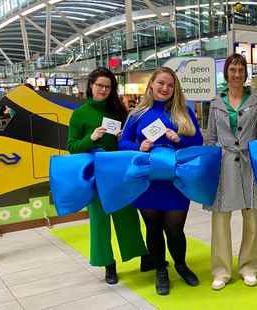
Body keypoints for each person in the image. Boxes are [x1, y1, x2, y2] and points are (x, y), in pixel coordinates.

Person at [119, 67, 203, 295]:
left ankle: (181, 265)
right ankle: (160, 270)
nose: (165, 88)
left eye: (170, 84)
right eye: (161, 83)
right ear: (151, 85)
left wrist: (180, 139)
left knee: (175, 229)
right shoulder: (137, 114)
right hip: (147, 181)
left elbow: (198, 140)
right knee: (153, 228)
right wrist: (139, 146)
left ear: (175, 88)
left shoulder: (184, 111)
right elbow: (122, 143)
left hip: (176, 181)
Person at [67, 67, 148, 285]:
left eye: (108, 86)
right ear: (91, 86)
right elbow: (72, 147)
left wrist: (123, 138)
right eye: (100, 85)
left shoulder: (118, 111)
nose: (103, 89)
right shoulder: (80, 114)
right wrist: (91, 139)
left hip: (119, 174)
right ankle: (108, 265)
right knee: (100, 221)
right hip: (95, 176)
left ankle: (141, 255)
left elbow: (128, 141)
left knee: (128, 216)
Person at [205, 53, 257, 290]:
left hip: (249, 164)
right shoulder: (215, 103)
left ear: (245, 73)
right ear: (226, 73)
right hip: (223, 165)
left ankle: (249, 266)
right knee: (220, 218)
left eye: (241, 70)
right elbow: (211, 138)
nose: (237, 74)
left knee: (251, 218)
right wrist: (208, 166)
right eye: (232, 69)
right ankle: (221, 270)